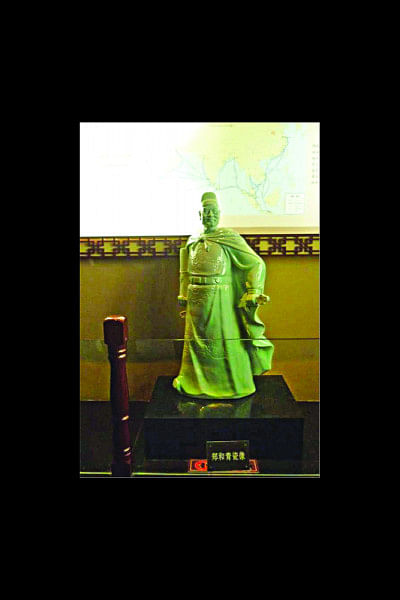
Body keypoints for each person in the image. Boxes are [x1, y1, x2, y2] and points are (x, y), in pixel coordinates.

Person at [173, 192, 274, 399]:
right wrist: (183, 294)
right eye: (206, 212)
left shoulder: (228, 238)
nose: (209, 215)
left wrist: (253, 290)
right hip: (195, 297)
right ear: (199, 215)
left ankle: (233, 384)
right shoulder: (193, 240)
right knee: (195, 345)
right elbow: (184, 272)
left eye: (213, 212)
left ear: (219, 214)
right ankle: (193, 382)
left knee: (223, 341)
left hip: (220, 298)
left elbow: (256, 263)